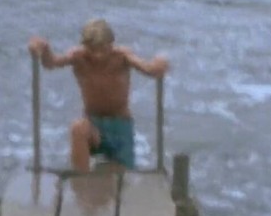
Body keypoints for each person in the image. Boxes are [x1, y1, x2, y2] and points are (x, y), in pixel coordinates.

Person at [27, 18, 168, 173]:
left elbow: (148, 69)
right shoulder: (78, 57)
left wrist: (158, 65)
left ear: (111, 44)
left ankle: (115, 167)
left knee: (122, 177)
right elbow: (51, 63)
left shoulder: (122, 56)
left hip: (120, 127)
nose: (98, 55)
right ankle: (81, 180)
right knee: (78, 128)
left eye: (103, 49)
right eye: (92, 49)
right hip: (93, 126)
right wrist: (44, 48)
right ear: (85, 46)